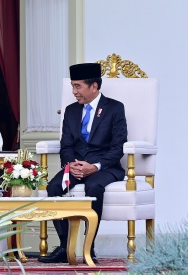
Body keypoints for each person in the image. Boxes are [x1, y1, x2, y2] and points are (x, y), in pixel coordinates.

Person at [39, 63, 128, 264]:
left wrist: (94, 166)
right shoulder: (71, 111)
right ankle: (64, 247)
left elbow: (117, 147)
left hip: (105, 167)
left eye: (78, 86)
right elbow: (66, 145)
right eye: (72, 86)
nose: (74, 92)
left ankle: (90, 246)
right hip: (76, 166)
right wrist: (73, 166)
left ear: (94, 86)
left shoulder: (115, 108)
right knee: (54, 187)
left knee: (94, 185)